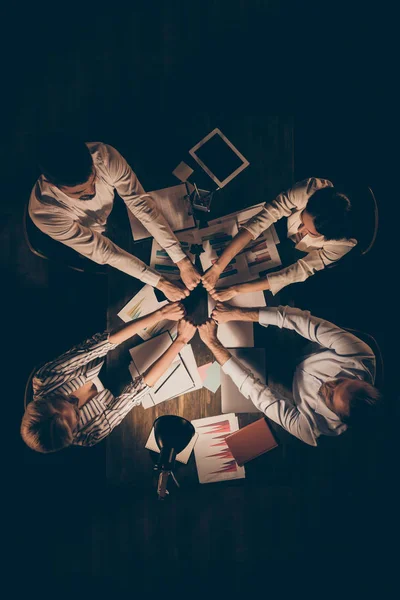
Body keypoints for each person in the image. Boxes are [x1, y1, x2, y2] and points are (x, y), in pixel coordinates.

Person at [29, 134, 201, 301]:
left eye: (94, 179)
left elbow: (140, 204)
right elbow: (103, 250)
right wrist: (160, 283)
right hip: (88, 239)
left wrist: (182, 261)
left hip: (116, 214)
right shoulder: (45, 213)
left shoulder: (104, 156)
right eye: (79, 192)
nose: (91, 192)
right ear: (51, 184)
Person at [21, 303, 196, 453]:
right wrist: (181, 341)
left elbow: (98, 346)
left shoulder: (45, 378)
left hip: (108, 350)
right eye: (76, 415)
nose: (75, 404)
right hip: (123, 381)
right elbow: (134, 395)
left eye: (65, 401)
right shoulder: (88, 435)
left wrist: (161, 313)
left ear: (47, 400)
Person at [198, 303, 381, 446]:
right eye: (341, 381)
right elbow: (302, 321)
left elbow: (260, 395)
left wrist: (213, 343)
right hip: (301, 344)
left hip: (285, 385)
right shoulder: (361, 356)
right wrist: (236, 313)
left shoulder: (311, 431)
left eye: (331, 396)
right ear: (359, 380)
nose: (330, 384)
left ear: (339, 418)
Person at [201, 178, 356, 300]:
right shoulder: (308, 189)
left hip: (298, 254)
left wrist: (237, 289)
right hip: (280, 227)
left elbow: (298, 271)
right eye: (302, 220)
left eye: (311, 232)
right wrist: (218, 267)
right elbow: (262, 219)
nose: (300, 230)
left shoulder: (343, 243)